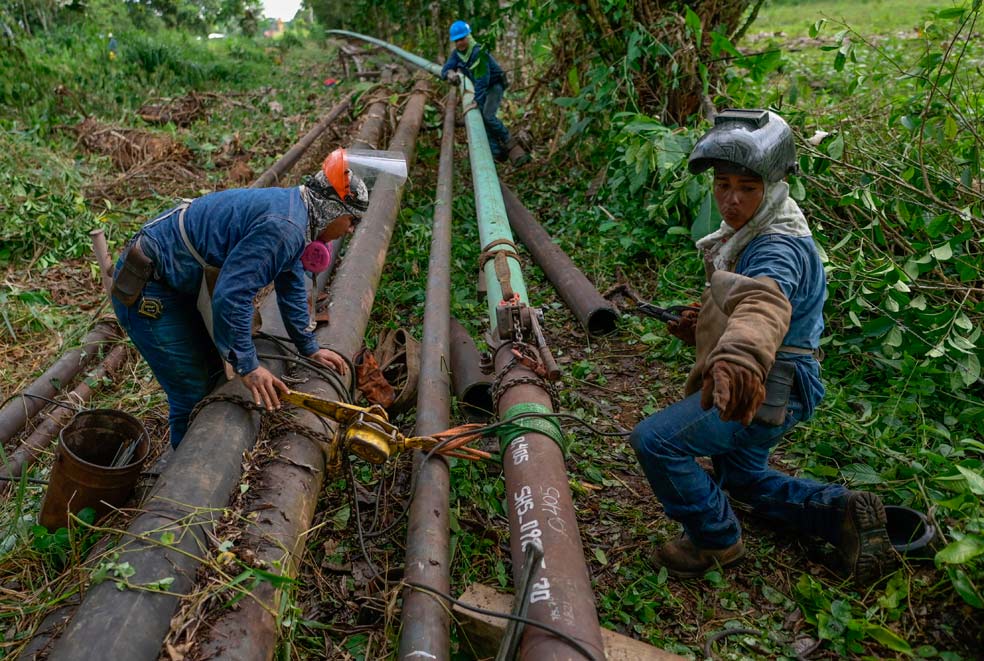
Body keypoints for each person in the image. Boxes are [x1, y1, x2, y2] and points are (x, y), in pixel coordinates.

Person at [629, 109, 893, 584]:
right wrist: (705, 323)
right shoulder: (757, 233)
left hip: (770, 382)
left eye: (747, 189)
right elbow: (745, 298)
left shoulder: (777, 246)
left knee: (657, 441)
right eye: (722, 184)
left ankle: (715, 540)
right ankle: (842, 513)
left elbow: (763, 301)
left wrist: (739, 354)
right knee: (741, 479)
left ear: (772, 187)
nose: (731, 200)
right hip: (789, 379)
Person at [110, 148, 378, 448]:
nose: (350, 229)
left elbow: (290, 282)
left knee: (212, 373)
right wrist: (249, 366)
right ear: (332, 208)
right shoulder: (286, 227)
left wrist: (309, 346)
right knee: (191, 391)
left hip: (174, 279)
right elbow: (232, 295)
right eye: (351, 220)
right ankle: (185, 478)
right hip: (150, 287)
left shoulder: (297, 213)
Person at [440, 20, 530, 166]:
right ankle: (497, 152)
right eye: (457, 41)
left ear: (468, 37)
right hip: (483, 88)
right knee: (482, 117)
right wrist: (449, 74)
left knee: (487, 115)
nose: (460, 43)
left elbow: (483, 79)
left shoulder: (477, 51)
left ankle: (509, 142)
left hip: (494, 85)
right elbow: (446, 69)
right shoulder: (457, 55)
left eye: (462, 39)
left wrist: (477, 100)